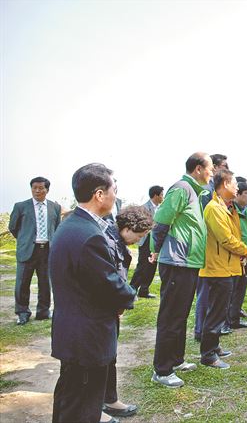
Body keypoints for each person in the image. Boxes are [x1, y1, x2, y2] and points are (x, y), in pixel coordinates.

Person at [49, 163, 136, 423]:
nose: (115, 196)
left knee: (71, 398)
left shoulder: (74, 224)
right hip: (87, 335)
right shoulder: (89, 235)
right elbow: (108, 284)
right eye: (114, 190)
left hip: (74, 331)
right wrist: (129, 296)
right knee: (82, 405)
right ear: (99, 194)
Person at [150, 152, 213, 388]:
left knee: (181, 315)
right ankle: (162, 370)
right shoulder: (181, 189)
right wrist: (156, 250)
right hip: (176, 262)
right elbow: (161, 222)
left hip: (189, 264)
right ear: (198, 169)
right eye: (210, 169)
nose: (212, 173)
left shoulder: (195, 193)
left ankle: (176, 360)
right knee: (170, 317)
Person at [101, 205, 154, 421]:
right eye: (140, 235)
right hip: (101, 311)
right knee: (100, 358)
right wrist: (124, 298)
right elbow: (107, 280)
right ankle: (97, 405)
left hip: (112, 310)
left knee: (110, 356)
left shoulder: (118, 242)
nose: (140, 240)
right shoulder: (105, 242)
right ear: (128, 228)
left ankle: (109, 398)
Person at [199, 170, 247, 369]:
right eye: (234, 183)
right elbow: (226, 239)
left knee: (220, 311)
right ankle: (208, 355)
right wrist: (245, 251)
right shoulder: (214, 208)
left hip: (227, 267)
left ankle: (214, 345)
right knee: (215, 312)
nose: (237, 188)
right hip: (217, 268)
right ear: (224, 184)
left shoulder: (229, 208)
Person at [9, 176, 62, 325]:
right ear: (31, 189)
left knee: (45, 283)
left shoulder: (55, 207)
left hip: (47, 250)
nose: (37, 191)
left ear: (47, 190)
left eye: (41, 188)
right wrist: (24, 240)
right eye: (34, 188)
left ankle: (43, 311)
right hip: (27, 250)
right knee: (22, 283)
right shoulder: (20, 206)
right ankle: (22, 313)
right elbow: (13, 227)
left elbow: (57, 228)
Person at [194, 153, 229, 339]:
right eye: (223, 166)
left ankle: (212, 328)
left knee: (214, 294)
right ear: (214, 168)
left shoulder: (216, 193)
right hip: (208, 250)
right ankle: (201, 330)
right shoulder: (206, 193)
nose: (227, 170)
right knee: (205, 292)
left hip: (218, 251)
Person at [226, 179, 247, 330]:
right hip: (237, 256)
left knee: (241, 290)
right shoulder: (231, 209)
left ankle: (234, 318)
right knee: (232, 290)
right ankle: (227, 321)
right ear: (237, 195)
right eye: (246, 193)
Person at [129, 185, 164, 298]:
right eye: (162, 195)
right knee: (142, 266)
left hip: (155, 242)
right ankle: (131, 291)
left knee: (152, 267)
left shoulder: (161, 208)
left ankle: (144, 290)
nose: (163, 197)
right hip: (146, 240)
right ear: (156, 195)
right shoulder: (144, 208)